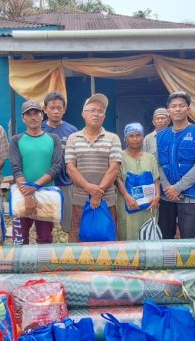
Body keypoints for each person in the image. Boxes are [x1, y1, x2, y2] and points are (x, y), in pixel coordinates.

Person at [65, 93, 122, 242]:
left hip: (107, 199)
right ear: (83, 114)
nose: (96, 114)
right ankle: (78, 266)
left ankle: (106, 266)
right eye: (91, 110)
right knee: (78, 235)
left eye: (100, 111)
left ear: (104, 116)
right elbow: (70, 168)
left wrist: (97, 193)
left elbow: (114, 168)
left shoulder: (113, 138)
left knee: (106, 235)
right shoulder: (73, 138)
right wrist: (89, 188)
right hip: (80, 198)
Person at [156, 92, 195, 239]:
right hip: (167, 197)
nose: (178, 109)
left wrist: (177, 188)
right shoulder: (161, 135)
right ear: (168, 111)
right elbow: (159, 165)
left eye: (182, 106)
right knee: (165, 238)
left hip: (191, 195)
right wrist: (169, 189)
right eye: (173, 106)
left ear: (188, 109)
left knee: (190, 240)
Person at [9, 100, 64, 244]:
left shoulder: (53, 139)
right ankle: (20, 266)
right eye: (29, 114)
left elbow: (56, 167)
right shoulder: (16, 140)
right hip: (22, 196)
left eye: (36, 113)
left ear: (42, 115)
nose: (33, 117)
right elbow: (16, 169)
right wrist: (28, 195)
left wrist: (35, 186)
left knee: (45, 238)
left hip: (46, 195)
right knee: (19, 239)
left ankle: (43, 266)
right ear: (23, 118)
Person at [41, 91, 78, 234]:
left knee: (68, 222)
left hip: (66, 182)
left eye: (59, 108)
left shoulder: (72, 130)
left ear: (64, 109)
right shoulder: (40, 129)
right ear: (45, 110)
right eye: (52, 108)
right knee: (46, 222)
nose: (56, 111)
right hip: (45, 183)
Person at [116, 123, 161, 240]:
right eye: (131, 136)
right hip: (129, 204)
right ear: (125, 138)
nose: (135, 139)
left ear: (143, 137)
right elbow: (118, 179)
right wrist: (127, 197)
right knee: (127, 235)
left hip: (148, 205)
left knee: (148, 237)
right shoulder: (119, 157)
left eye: (138, 135)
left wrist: (157, 197)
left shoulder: (150, 158)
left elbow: (156, 179)